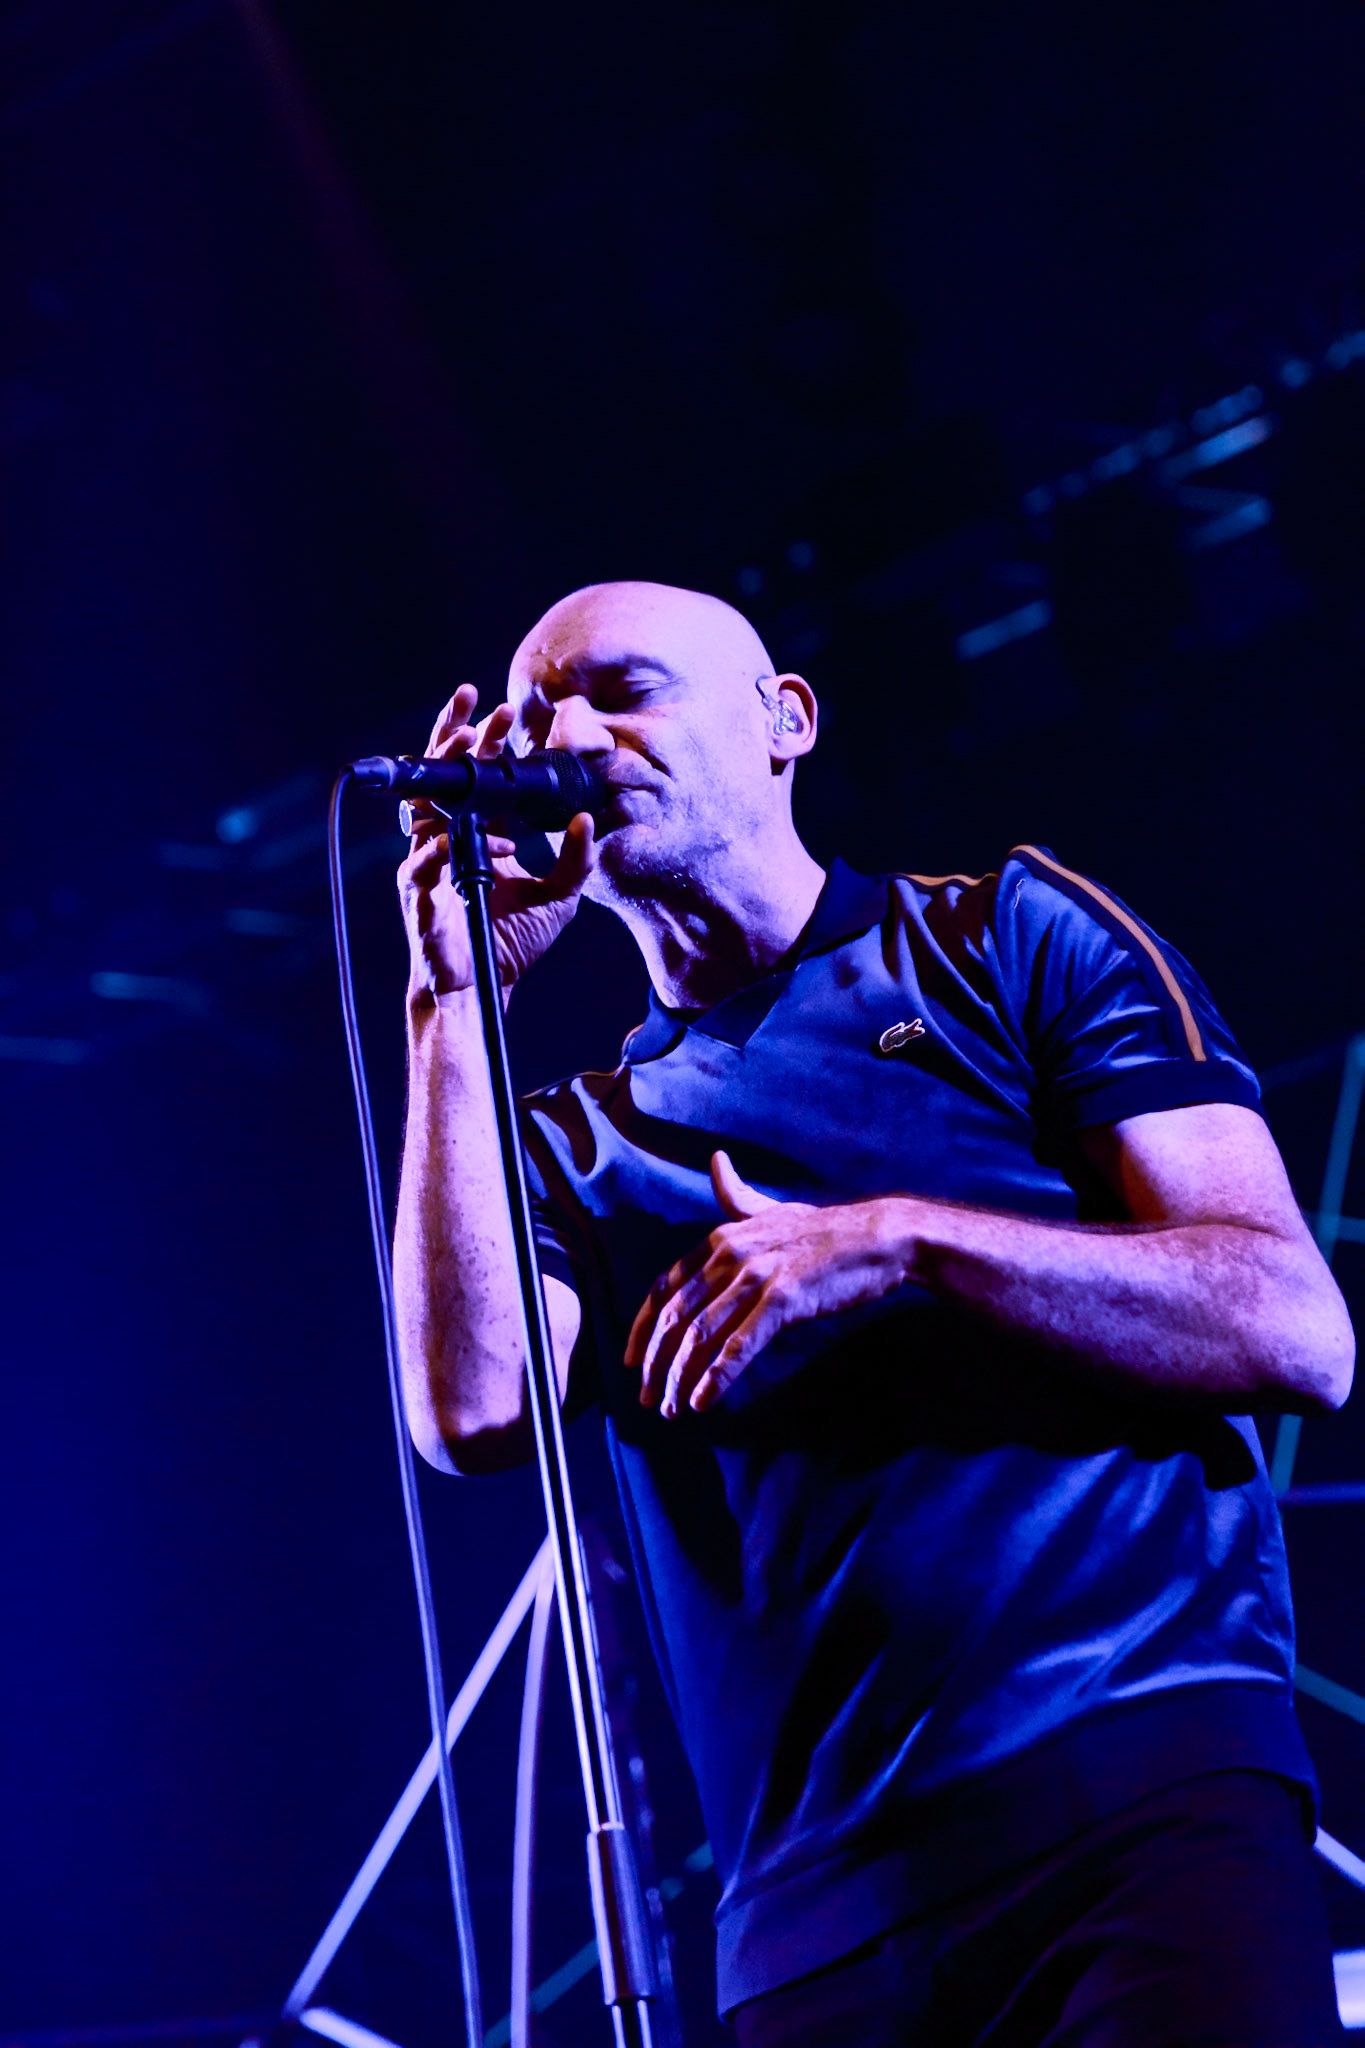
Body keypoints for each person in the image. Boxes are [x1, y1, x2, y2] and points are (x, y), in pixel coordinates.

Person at [393, 579, 1353, 2046]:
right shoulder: (565, 1142)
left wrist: (898, 1243)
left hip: (1137, 1796)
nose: (570, 738)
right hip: (811, 1923)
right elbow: (474, 1414)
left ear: (784, 722)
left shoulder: (1008, 938)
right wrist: (449, 1011)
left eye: (619, 692)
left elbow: (1289, 1324)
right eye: (538, 718)